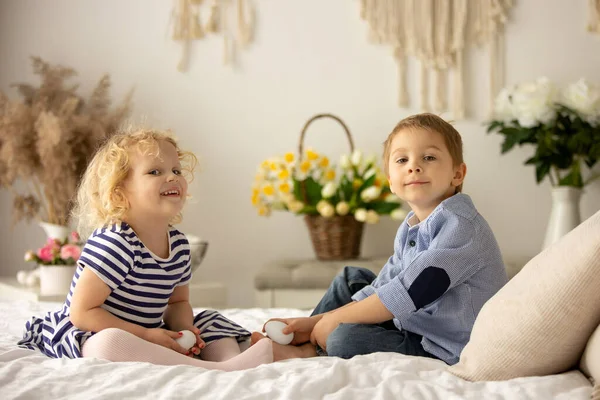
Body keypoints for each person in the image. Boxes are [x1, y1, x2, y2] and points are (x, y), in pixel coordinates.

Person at [253, 113, 508, 365]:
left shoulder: (461, 226)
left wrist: (333, 322)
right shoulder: (412, 226)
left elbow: (408, 293)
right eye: (402, 160)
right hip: (411, 322)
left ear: (457, 174)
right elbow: (386, 283)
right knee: (350, 279)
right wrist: (317, 321)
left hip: (442, 346)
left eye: (429, 157)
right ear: (391, 182)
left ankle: (309, 350)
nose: (414, 166)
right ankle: (309, 339)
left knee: (344, 337)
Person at [18, 128, 274, 371]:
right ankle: (209, 368)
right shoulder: (115, 242)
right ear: (119, 192)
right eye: (154, 172)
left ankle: (228, 360)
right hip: (91, 330)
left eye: (176, 169)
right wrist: (145, 335)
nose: (172, 176)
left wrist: (185, 331)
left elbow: (178, 301)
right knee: (109, 343)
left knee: (209, 320)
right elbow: (82, 313)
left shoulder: (179, 245)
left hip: (148, 330)